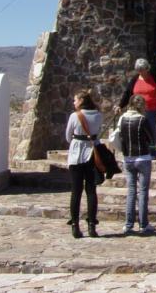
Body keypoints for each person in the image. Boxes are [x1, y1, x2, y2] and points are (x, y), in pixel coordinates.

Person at [65, 89, 103, 238]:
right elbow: (98, 134)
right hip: (92, 155)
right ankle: (92, 225)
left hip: (76, 156)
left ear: (81, 101)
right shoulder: (98, 115)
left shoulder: (75, 116)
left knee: (76, 191)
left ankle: (75, 225)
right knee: (91, 191)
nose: (74, 103)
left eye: (75, 100)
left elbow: (68, 136)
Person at [118, 94, 154, 234]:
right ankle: (143, 224)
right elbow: (151, 138)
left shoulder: (123, 118)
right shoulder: (142, 119)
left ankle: (128, 224)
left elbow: (120, 136)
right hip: (143, 156)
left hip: (128, 157)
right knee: (143, 191)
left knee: (131, 191)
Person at [118, 58, 156, 146]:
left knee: (151, 130)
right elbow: (128, 93)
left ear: (147, 68)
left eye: (142, 70)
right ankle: (140, 149)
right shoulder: (134, 79)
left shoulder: (154, 78)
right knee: (138, 131)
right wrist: (120, 106)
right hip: (136, 110)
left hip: (151, 110)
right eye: (138, 70)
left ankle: (151, 151)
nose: (140, 72)